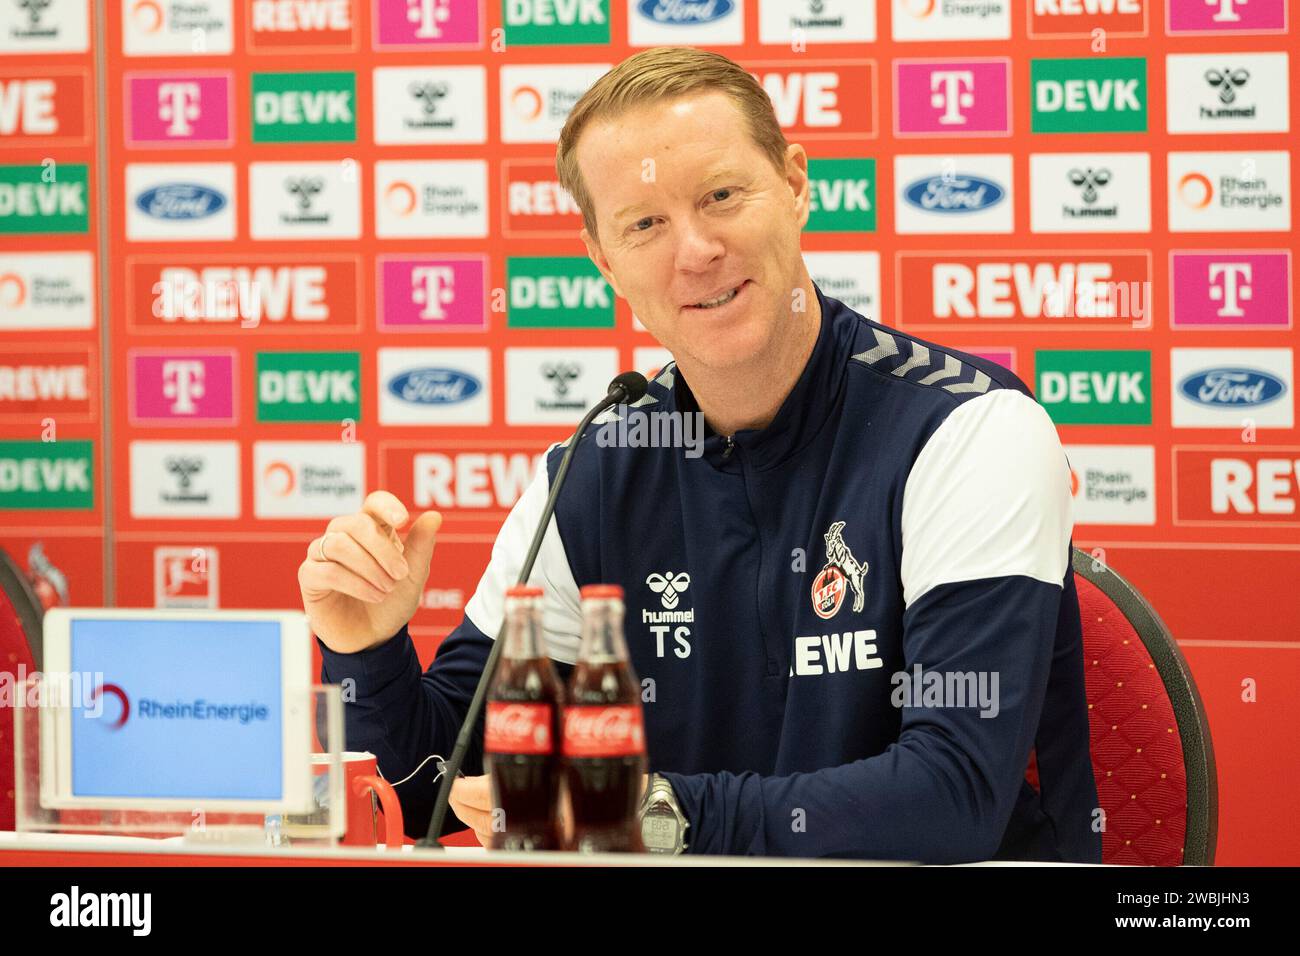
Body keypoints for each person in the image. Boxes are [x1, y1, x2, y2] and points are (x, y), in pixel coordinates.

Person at [299, 47, 1101, 862]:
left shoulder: (967, 427)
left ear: (794, 186)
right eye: (644, 223)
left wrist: (654, 814)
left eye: (721, 195)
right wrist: (367, 651)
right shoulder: (593, 471)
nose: (695, 250)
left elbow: (955, 795)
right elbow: (449, 791)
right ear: (604, 261)